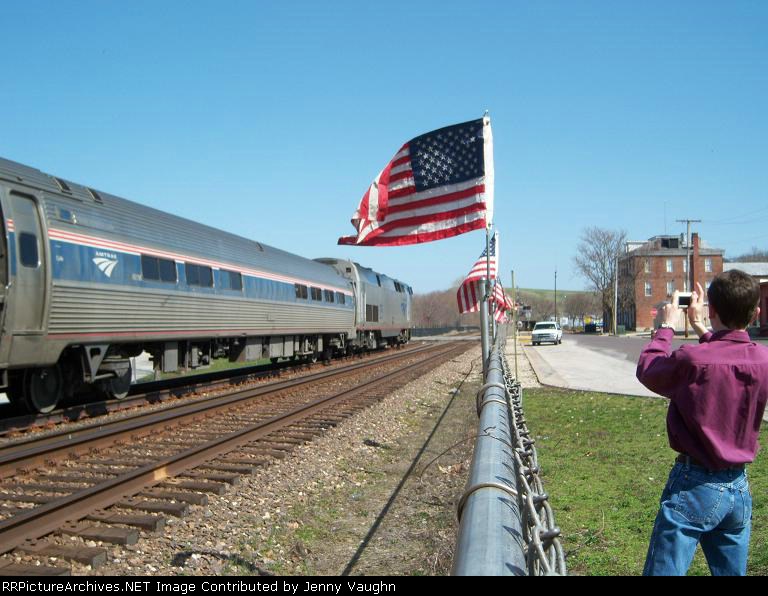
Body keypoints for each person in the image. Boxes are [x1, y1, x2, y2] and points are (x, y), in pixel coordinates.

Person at [636, 270, 768, 576]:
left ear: (712, 310)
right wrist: (701, 328)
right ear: (756, 313)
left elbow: (649, 369)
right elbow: (730, 356)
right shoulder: (762, 360)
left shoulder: (692, 360)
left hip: (694, 484)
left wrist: (666, 326)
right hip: (738, 487)